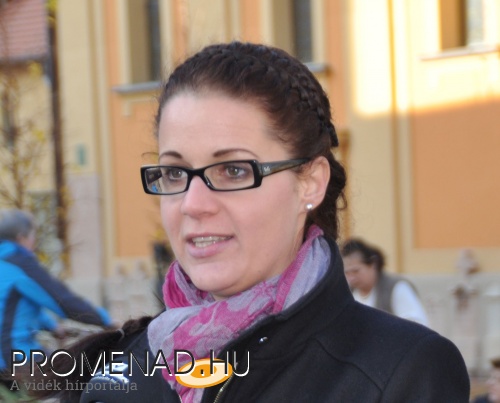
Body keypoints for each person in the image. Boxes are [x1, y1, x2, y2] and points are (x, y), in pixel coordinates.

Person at [31, 41, 469, 402]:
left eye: (234, 170)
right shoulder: (123, 373)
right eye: (175, 173)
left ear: (310, 183)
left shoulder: (400, 372)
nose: (193, 204)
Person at [0, 209, 112, 376]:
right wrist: (106, 321)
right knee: (84, 373)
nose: (34, 242)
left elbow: (12, 306)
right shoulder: (20, 263)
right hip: (12, 359)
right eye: (33, 236)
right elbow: (62, 301)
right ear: (21, 238)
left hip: (7, 357)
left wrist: (52, 326)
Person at [341, 238, 429, 326]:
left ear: (373, 264)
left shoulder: (396, 287)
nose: (351, 278)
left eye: (356, 271)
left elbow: (417, 324)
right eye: (347, 273)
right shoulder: (348, 293)